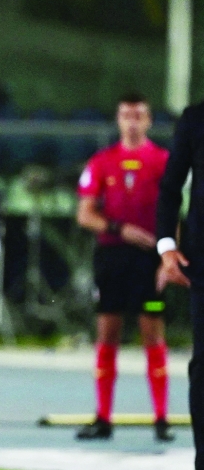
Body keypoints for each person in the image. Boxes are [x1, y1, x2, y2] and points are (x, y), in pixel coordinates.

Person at [74, 93, 174, 442]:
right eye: (126, 115)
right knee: (109, 332)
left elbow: (175, 211)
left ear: (148, 121)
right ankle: (103, 417)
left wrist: (168, 256)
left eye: (139, 115)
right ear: (119, 121)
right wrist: (119, 228)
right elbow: (86, 214)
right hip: (114, 256)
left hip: (148, 258)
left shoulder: (163, 161)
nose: (132, 122)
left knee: (152, 334)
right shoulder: (103, 162)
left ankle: (162, 417)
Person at [156, 100, 204, 470]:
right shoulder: (195, 118)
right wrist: (166, 245)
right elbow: (172, 184)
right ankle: (203, 468)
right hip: (202, 258)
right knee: (202, 366)